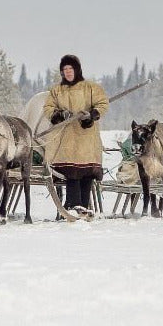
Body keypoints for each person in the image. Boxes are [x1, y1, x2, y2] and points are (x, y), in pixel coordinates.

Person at [42, 55, 109, 213]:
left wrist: (91, 115)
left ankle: (83, 208)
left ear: (77, 69)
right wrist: (58, 114)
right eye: (65, 69)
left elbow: (103, 103)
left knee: (86, 174)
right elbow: (48, 108)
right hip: (67, 139)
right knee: (72, 173)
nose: (68, 72)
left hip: (87, 138)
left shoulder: (91, 88)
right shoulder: (57, 90)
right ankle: (74, 206)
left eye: (70, 68)